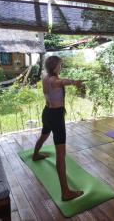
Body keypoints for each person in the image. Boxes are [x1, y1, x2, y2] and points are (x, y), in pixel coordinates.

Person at [32, 55, 84, 201]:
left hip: (47, 112)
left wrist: (71, 81)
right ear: (55, 66)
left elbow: (59, 80)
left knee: (44, 134)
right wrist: (74, 82)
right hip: (56, 116)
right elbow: (62, 81)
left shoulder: (45, 77)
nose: (61, 67)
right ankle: (65, 192)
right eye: (60, 65)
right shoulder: (55, 80)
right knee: (61, 154)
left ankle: (35, 154)